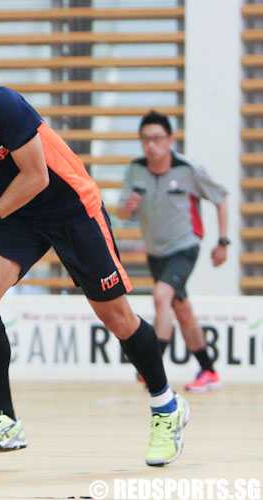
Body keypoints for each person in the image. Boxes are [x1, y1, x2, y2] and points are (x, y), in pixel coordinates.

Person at [0, 23, 188, 467]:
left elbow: (37, 176)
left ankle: (167, 407)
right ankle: (5, 419)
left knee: (118, 318)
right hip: (18, 215)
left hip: (70, 206)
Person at [118, 110, 228, 392]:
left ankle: (151, 366)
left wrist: (223, 242)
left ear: (170, 139)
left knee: (161, 296)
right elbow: (121, 212)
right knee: (183, 311)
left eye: (157, 138)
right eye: (144, 139)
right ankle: (209, 371)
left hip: (185, 247)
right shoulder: (135, 169)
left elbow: (221, 197)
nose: (150, 145)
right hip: (156, 253)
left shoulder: (187, 170)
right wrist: (127, 207)